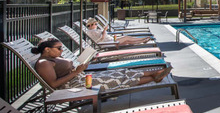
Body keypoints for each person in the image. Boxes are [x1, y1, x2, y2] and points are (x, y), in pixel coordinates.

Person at [32, 38, 171, 90]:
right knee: (118, 79)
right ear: (47, 50)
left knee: (122, 72)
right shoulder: (44, 63)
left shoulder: (52, 58)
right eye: (59, 48)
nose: (62, 50)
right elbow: (54, 84)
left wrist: (79, 67)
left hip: (80, 78)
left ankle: (155, 74)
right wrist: (76, 72)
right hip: (77, 85)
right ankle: (154, 76)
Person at [86, 18, 152, 47]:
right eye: (96, 24)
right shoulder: (92, 31)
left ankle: (142, 41)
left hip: (111, 40)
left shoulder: (92, 31)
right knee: (126, 38)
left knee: (127, 41)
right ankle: (142, 39)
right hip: (109, 42)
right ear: (91, 25)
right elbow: (101, 39)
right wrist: (104, 30)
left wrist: (104, 31)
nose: (97, 25)